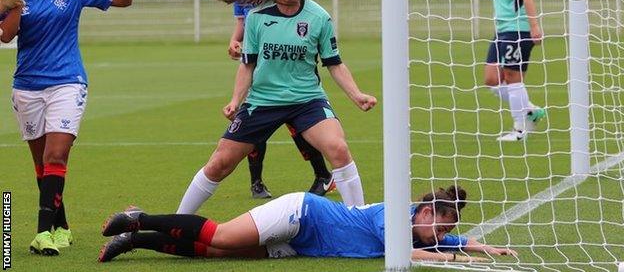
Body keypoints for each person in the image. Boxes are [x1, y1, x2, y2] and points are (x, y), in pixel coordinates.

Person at [175, 0, 377, 215]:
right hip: (263, 101)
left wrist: (356, 94)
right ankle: (177, 221)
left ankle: (359, 221)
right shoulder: (257, 17)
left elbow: (334, 63)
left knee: (338, 148)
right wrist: (236, 100)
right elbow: (247, 64)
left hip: (307, 100)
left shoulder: (319, 17)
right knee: (220, 163)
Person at [0, 0, 135, 256]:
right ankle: (61, 226)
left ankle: (43, 232)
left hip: (67, 82)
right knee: (42, 166)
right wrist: (19, 1)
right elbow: (5, 36)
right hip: (27, 86)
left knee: (56, 156)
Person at [98, 185, 517, 262]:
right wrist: (455, 260)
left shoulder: (420, 227)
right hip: (302, 213)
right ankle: (139, 218)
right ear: (424, 213)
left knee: (216, 251)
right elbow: (405, 253)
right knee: (222, 233)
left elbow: (451, 240)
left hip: (302, 244)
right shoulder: (395, 217)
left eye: (445, 232)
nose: (442, 236)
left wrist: (481, 247)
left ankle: (135, 242)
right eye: (440, 228)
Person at [222, 0, 335, 199]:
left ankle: (323, 174)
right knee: (255, 116)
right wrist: (235, 40)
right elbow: (243, 18)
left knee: (296, 115)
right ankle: (257, 181)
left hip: (284, 46)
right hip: (258, 47)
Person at [465, 0, 546, 141]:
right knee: (491, 79)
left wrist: (534, 27)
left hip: (518, 29)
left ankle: (520, 130)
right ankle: (530, 110)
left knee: (512, 78)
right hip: (502, 29)